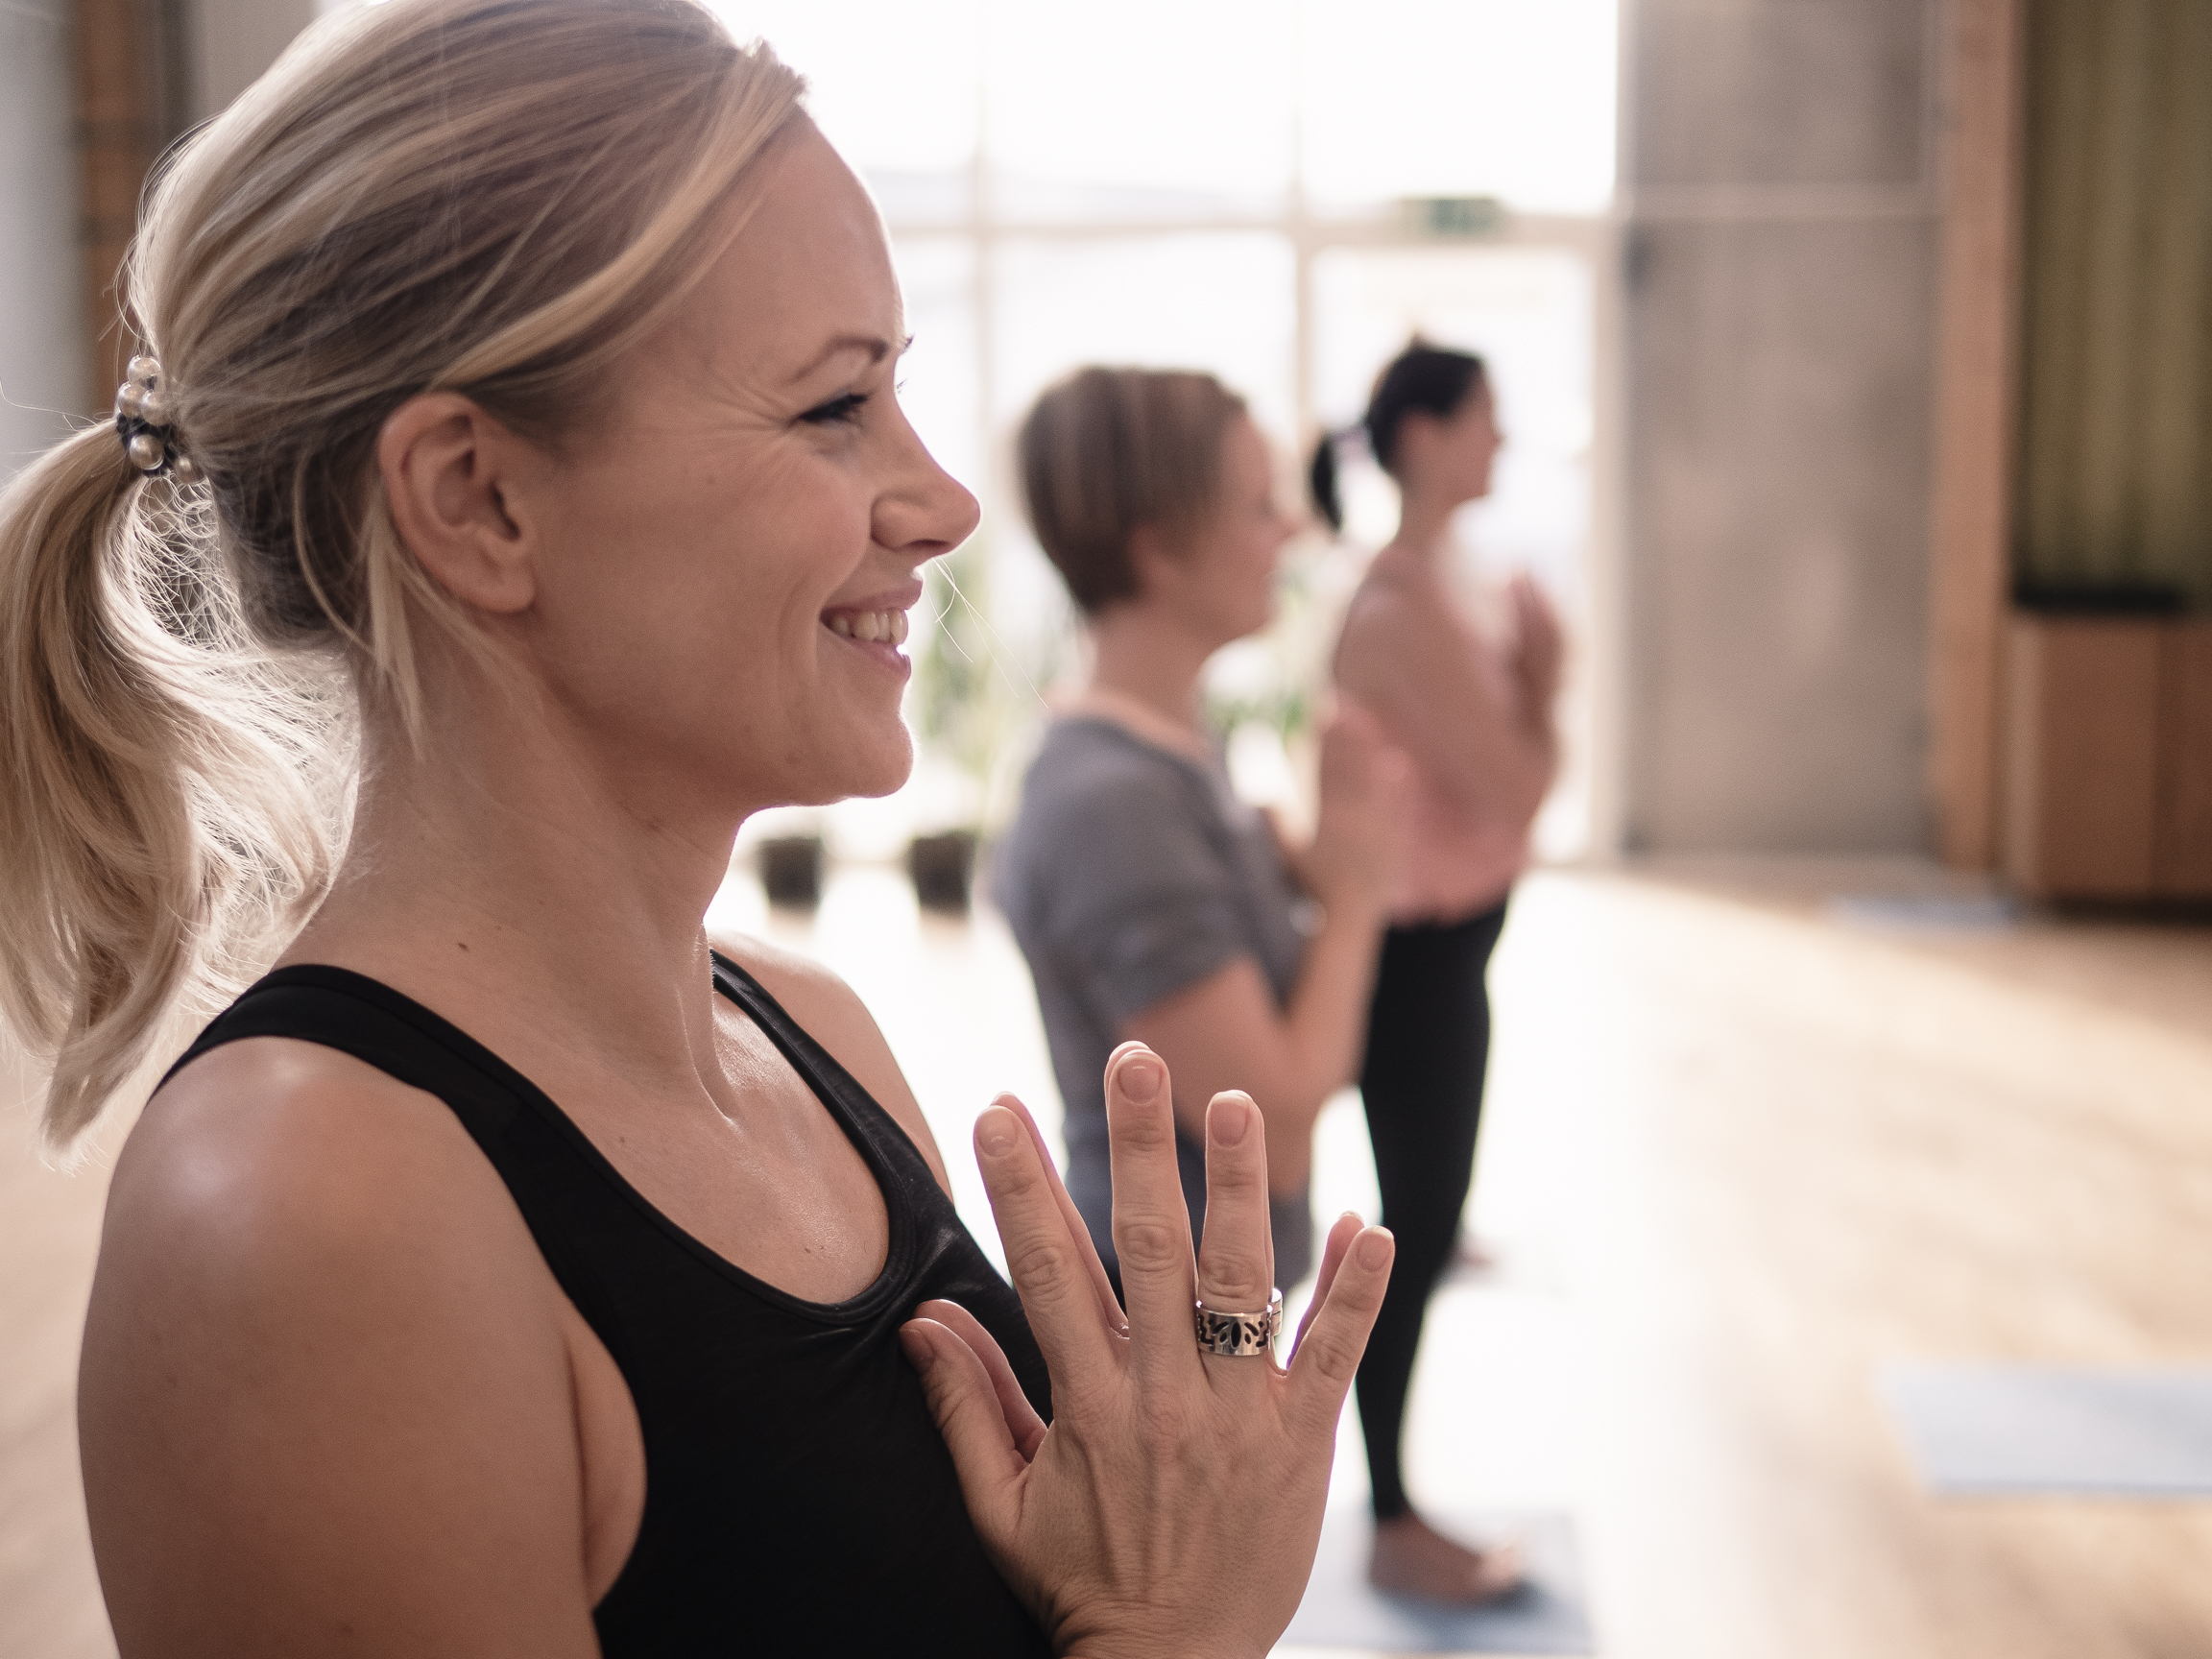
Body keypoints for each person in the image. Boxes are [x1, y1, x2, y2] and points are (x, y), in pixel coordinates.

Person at [0, 3, 1401, 1651]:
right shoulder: (308, 1214)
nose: (943, 500)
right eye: (833, 407)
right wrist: (1175, 1627)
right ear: (478, 500)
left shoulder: (811, 1034)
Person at [995, 367, 1394, 1303]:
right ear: (1161, 550)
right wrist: (1358, 892)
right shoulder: (1116, 803)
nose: (1290, 531)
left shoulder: (1167, 753)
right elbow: (1275, 1133)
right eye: (1260, 507)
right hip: (1163, 1327)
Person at [1312, 341, 1563, 1603]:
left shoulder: (1434, 580)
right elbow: (1518, 786)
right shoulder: (1404, 605)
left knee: (1422, 1222)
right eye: (1486, 420)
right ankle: (1394, 1524)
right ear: (1422, 434)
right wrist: (1547, 681)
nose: (1502, 444)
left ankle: (1396, 1509)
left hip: (1445, 956)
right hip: (1416, 971)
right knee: (1405, 1238)